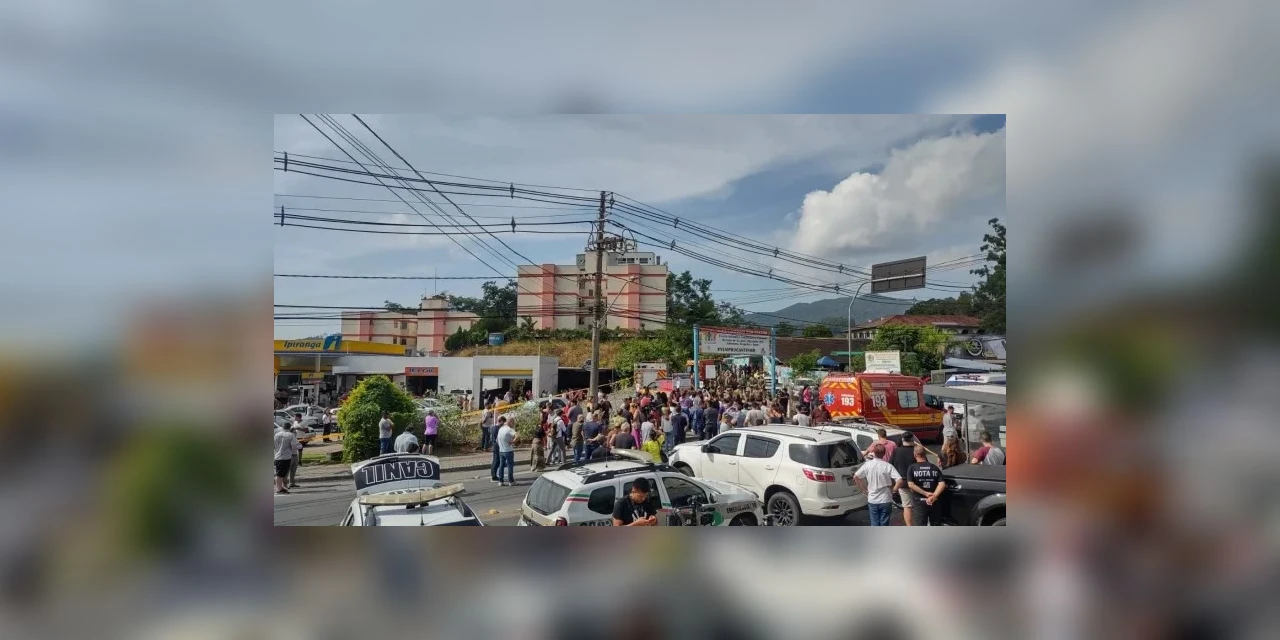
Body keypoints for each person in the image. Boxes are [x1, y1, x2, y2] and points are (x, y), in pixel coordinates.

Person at [853, 443, 902, 526]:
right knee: (884, 522)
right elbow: (900, 480)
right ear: (884, 453)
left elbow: (856, 477)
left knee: (874, 522)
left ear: (874, 453)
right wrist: (893, 490)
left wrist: (864, 490)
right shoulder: (888, 466)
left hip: (872, 499)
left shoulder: (867, 465)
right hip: (886, 498)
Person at [907, 445, 947, 526]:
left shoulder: (912, 468)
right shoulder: (934, 467)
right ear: (925, 454)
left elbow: (911, 484)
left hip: (920, 502)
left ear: (915, 455)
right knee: (935, 526)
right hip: (934, 502)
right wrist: (934, 495)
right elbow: (942, 484)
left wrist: (925, 493)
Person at [888, 431, 920, 526]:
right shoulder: (916, 450)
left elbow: (890, 466)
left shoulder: (897, 451)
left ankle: (909, 527)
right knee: (919, 505)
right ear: (912, 439)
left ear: (902, 440)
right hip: (916, 482)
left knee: (907, 506)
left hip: (903, 482)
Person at [274, 422, 300, 495]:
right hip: (286, 456)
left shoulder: (276, 435)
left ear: (282, 427)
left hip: (277, 456)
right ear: (290, 428)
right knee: (280, 474)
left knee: (280, 473)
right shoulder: (290, 435)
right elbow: (294, 445)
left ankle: (280, 487)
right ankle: (279, 489)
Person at [496, 416, 518, 486]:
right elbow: (517, 435)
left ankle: (501, 481)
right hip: (508, 450)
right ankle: (511, 481)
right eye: (513, 423)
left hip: (501, 451)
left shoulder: (500, 429)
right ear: (510, 422)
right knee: (510, 466)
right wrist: (513, 441)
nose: (513, 424)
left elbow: (497, 440)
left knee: (501, 466)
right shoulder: (509, 429)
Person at [490, 416, 507, 483]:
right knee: (496, 461)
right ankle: (494, 476)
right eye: (503, 423)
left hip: (495, 446)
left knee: (496, 460)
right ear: (501, 421)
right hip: (497, 446)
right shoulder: (497, 428)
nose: (503, 424)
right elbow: (499, 438)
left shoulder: (493, 427)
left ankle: (494, 475)